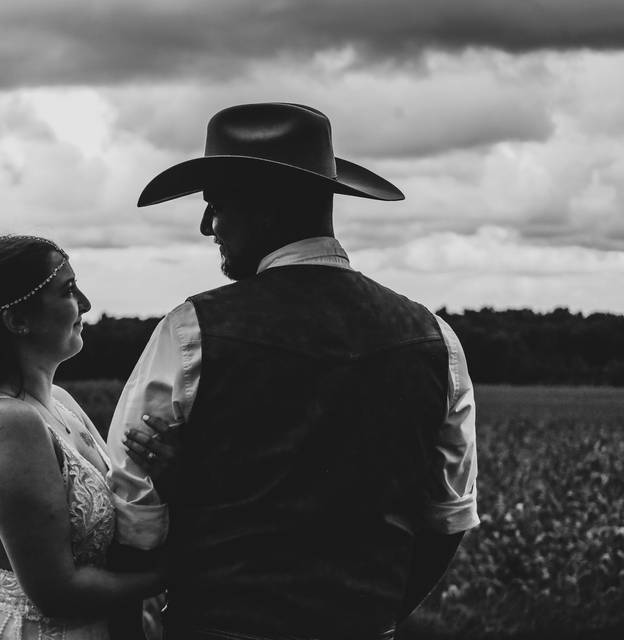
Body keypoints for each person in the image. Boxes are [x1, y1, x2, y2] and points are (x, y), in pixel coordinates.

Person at [107, 103, 480, 640]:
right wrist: (376, 618)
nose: (207, 226)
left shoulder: (191, 330)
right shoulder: (435, 340)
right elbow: (447, 518)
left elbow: (134, 514)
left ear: (264, 207)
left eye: (216, 205)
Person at [0, 235, 173, 639]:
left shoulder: (60, 401)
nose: (86, 304)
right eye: (68, 290)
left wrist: (165, 470)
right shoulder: (8, 424)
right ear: (18, 320)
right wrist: (176, 571)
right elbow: (57, 593)